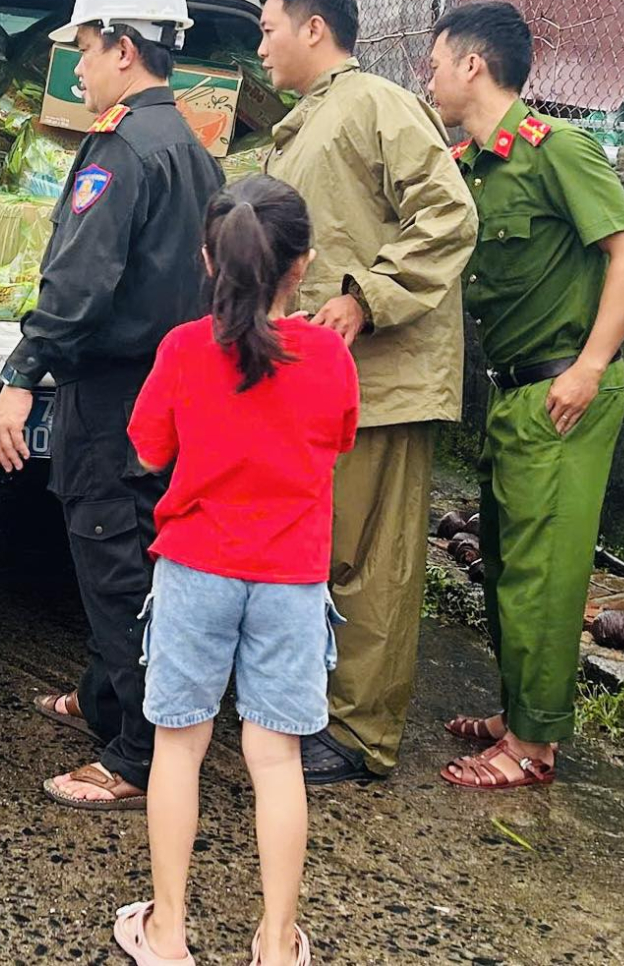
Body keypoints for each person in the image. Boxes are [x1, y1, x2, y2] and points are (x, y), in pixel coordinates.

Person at [0, 0, 223, 811]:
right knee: (133, 552)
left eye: (83, 48)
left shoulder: (119, 149)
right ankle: (104, 694)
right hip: (169, 394)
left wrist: (20, 375)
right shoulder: (191, 150)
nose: (76, 66)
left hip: (115, 396)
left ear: (124, 46)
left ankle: (137, 753)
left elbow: (80, 287)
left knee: (113, 555)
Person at [114, 177, 358, 966]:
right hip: (290, 576)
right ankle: (279, 944)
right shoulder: (328, 355)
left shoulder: (185, 348)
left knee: (179, 748)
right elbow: (339, 442)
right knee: (276, 756)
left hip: (195, 569)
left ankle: (169, 932)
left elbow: (148, 450)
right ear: (303, 265)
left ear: (209, 262)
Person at [426, 1, 624, 790]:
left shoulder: (558, 149)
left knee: (545, 571)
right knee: (504, 560)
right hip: (516, 392)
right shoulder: (475, 165)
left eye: (434, 62)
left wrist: (590, 365)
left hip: (565, 388)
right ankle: (514, 712)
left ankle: (534, 746)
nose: (429, 78)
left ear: (472, 65)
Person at [257, 0, 477, 785]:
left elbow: (450, 214)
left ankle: (359, 736)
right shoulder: (310, 119)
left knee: (372, 562)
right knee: (330, 549)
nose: (262, 46)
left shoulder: (375, 105)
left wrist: (364, 297)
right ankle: (324, 709)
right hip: (329, 382)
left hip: (382, 382)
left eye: (269, 27)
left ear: (314, 28)